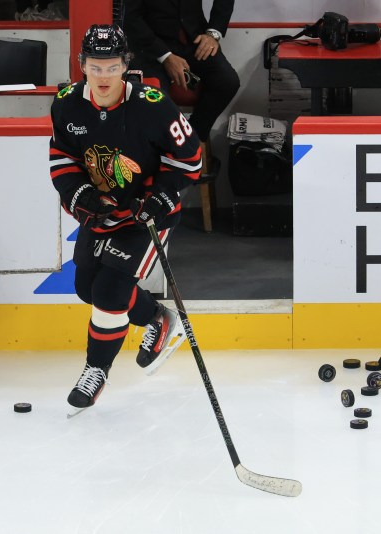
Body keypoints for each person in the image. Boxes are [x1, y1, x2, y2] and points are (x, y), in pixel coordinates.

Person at [49, 24, 202, 411]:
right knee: (86, 287)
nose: (103, 76)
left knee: (109, 293)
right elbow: (63, 157)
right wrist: (80, 194)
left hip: (144, 218)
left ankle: (95, 370)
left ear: (125, 65)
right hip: (99, 214)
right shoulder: (67, 102)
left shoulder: (153, 104)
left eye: (112, 66)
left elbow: (190, 160)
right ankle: (156, 318)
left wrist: (161, 198)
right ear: (82, 64)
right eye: (96, 66)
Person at [122, 0, 240, 143]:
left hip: (195, 39)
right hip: (151, 47)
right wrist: (165, 56)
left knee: (227, 81)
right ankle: (159, 150)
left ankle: (191, 139)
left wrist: (213, 34)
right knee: (155, 98)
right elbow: (131, 18)